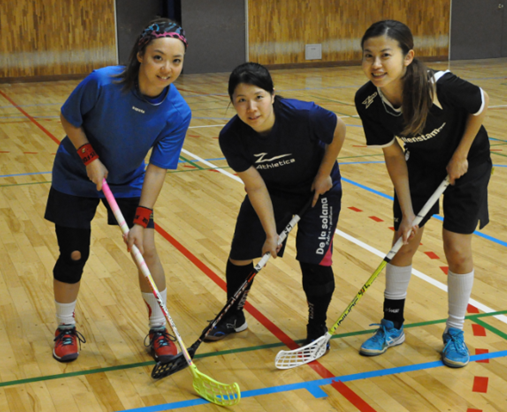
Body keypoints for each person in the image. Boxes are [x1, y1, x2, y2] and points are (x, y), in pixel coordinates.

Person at [44, 18, 191, 363]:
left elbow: (157, 169)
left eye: (176, 61)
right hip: (74, 174)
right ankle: (65, 327)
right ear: (140, 54)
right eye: (158, 57)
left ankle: (158, 328)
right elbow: (70, 118)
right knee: (74, 254)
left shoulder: (177, 111)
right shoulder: (103, 82)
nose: (167, 68)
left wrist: (140, 219)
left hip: (127, 180)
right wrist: (89, 157)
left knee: (147, 250)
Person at [354, 20, 492, 368]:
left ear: (408, 56)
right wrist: (407, 212)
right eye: (368, 56)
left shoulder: (436, 85)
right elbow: (394, 156)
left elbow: (480, 103)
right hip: (422, 165)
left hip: (469, 161)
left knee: (456, 247)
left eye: (386, 55)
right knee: (404, 239)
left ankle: (455, 332)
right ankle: (392, 325)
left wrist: (461, 154)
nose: (376, 64)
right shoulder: (368, 100)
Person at [206, 62, 346, 347]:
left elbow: (339, 130)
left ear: (272, 94)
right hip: (273, 191)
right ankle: (234, 315)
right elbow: (255, 186)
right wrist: (271, 235)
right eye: (241, 101)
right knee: (241, 253)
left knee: (314, 259)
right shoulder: (231, 138)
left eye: (258, 97)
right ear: (232, 103)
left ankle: (317, 325)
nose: (251, 108)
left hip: (317, 190)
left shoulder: (304, 115)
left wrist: (323, 174)